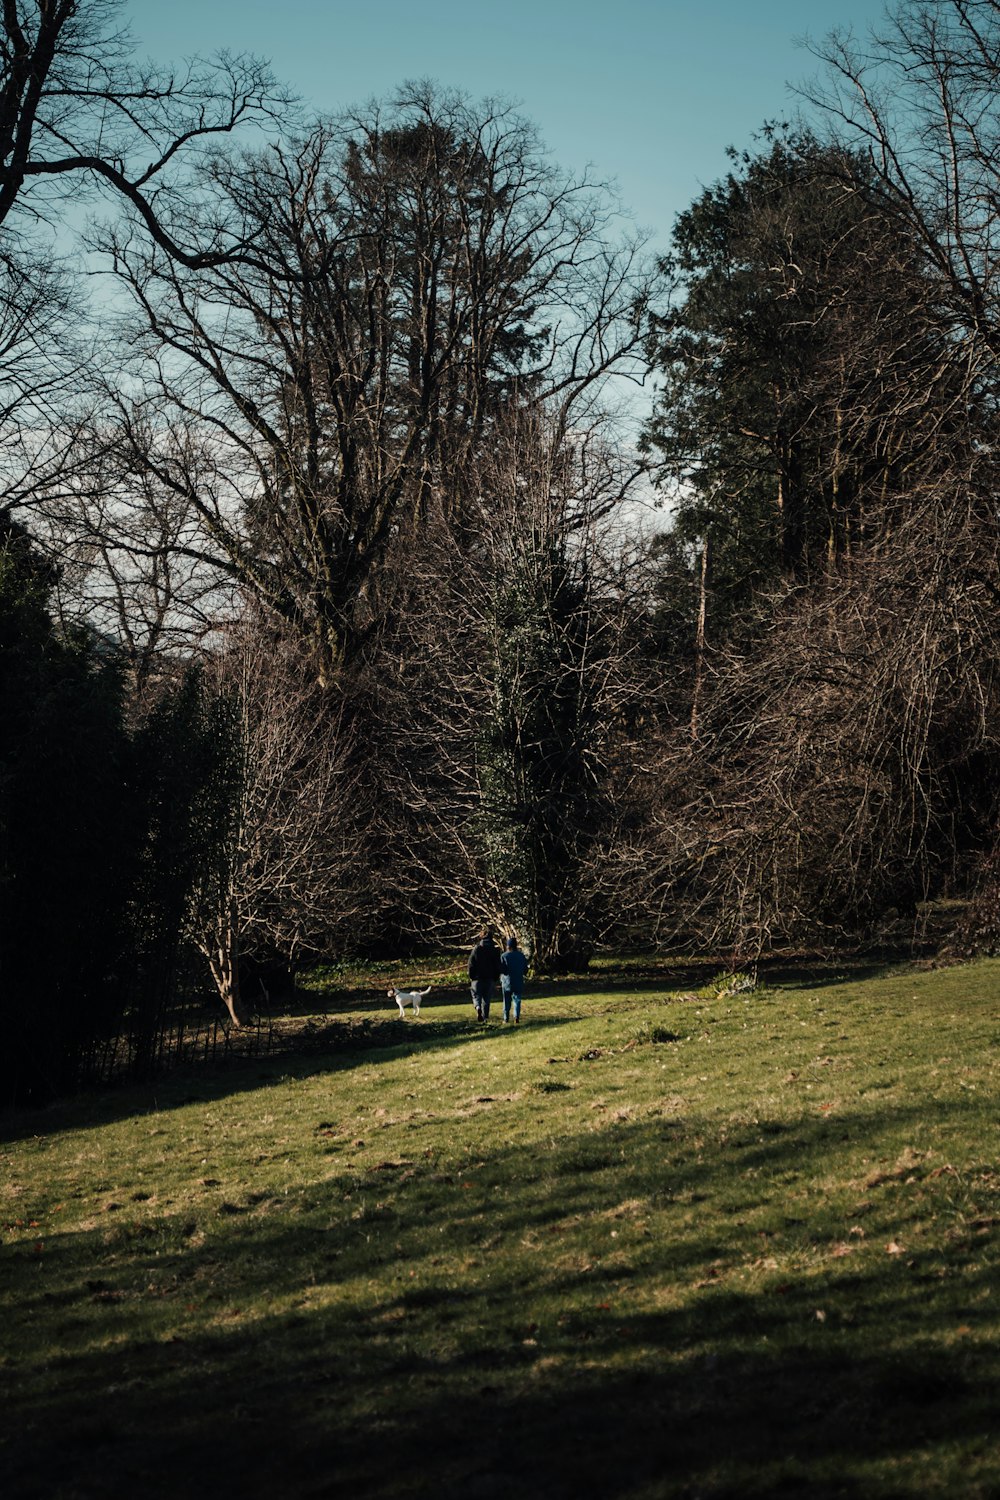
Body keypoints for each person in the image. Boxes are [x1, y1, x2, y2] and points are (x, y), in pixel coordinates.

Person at [468, 927, 501, 1021]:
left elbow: (471, 963)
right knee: (487, 998)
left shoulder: (477, 948)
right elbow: (497, 964)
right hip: (489, 977)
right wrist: (496, 976)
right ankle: (485, 1017)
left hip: (477, 978)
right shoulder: (494, 950)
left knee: (476, 995)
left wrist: (471, 975)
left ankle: (478, 1007)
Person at [500, 935, 529, 1024]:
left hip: (507, 982)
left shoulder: (504, 956)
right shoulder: (521, 956)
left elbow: (502, 969)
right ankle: (516, 1016)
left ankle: (506, 1018)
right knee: (517, 999)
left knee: (506, 1000)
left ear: (508, 946)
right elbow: (525, 969)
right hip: (518, 981)